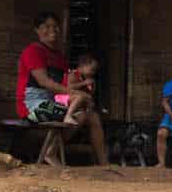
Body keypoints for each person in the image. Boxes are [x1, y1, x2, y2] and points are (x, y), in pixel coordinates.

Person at [15, 11, 107, 165]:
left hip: (51, 103)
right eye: (46, 26)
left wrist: (84, 96)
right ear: (37, 30)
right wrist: (76, 93)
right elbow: (44, 82)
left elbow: (62, 87)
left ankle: (104, 163)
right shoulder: (33, 51)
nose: (52, 30)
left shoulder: (59, 57)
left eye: (55, 26)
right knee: (80, 113)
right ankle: (50, 153)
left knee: (91, 115)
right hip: (31, 106)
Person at [57, 52, 99, 128]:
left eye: (95, 71)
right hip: (62, 98)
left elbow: (90, 94)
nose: (93, 73)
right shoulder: (73, 75)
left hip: (74, 101)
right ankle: (68, 115)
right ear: (82, 66)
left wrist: (92, 87)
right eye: (92, 69)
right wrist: (84, 83)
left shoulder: (85, 77)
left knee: (88, 101)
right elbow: (69, 87)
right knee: (80, 97)